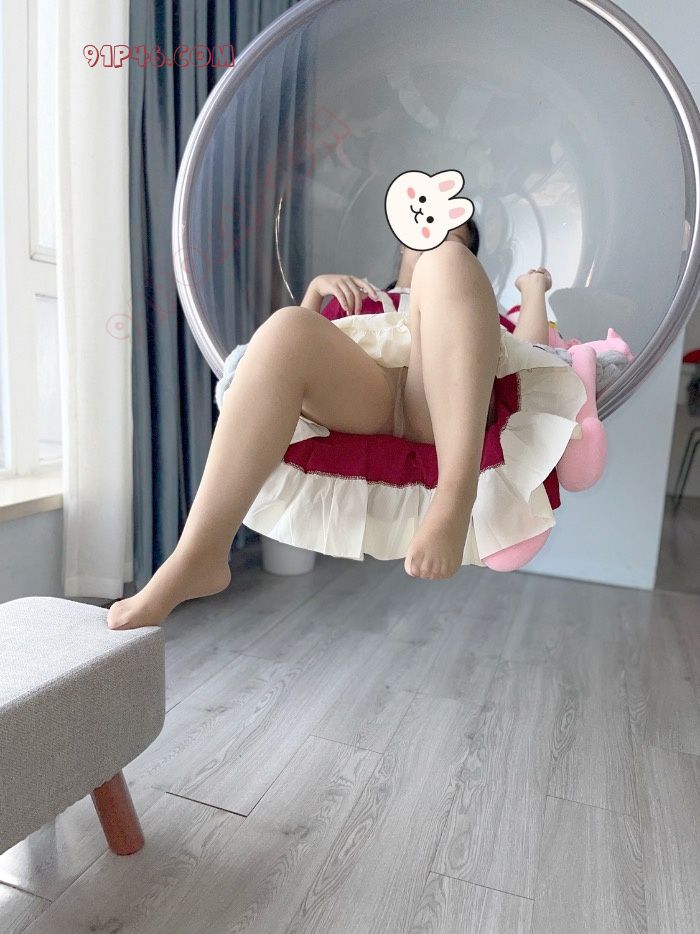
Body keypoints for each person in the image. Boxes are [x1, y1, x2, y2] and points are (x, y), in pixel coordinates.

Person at [107, 218, 581, 631]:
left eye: (453, 233)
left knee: (447, 267)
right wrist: (316, 291)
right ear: (402, 240)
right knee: (287, 325)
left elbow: (532, 360)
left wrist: (532, 291)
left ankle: (455, 497)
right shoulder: (357, 297)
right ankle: (199, 553)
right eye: (427, 227)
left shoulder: (467, 299)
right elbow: (278, 368)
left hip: (439, 408)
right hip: (365, 400)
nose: (436, 236)